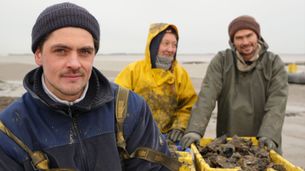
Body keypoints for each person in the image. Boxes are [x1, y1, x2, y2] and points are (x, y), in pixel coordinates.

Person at [0, 2, 173, 170]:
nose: (74, 63)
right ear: (38, 55)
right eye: (61, 50)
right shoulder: (10, 131)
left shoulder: (131, 108)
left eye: (85, 52)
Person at [181, 15, 288, 154]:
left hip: (265, 142)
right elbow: (207, 96)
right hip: (229, 144)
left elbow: (277, 104)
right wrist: (194, 130)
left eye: (249, 36)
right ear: (232, 41)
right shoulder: (222, 60)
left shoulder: (274, 63)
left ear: (258, 36)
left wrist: (269, 134)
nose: (245, 42)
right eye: (239, 38)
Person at [115, 23, 197, 143]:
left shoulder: (180, 74)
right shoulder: (133, 70)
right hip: (135, 135)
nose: (170, 49)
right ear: (154, 44)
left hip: (168, 137)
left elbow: (188, 105)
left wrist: (179, 126)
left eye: (174, 45)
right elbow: (118, 100)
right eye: (166, 43)